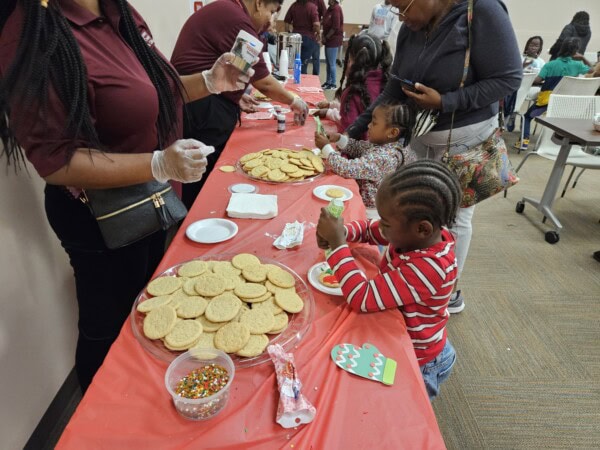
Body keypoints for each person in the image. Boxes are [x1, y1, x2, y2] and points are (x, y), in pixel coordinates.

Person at [0, 0, 250, 391]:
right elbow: (56, 161)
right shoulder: (35, 31)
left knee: (147, 316)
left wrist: (209, 81)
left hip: (150, 202)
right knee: (107, 330)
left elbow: (153, 92)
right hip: (98, 217)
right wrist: (157, 165)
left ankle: (138, 400)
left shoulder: (121, 12)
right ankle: (101, 420)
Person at [346, 0, 522, 314]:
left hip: (466, 140)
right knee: (413, 212)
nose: (400, 16)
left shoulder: (482, 11)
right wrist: (354, 130)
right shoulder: (412, 25)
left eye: (402, 6)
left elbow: (507, 79)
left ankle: (443, 295)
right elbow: (394, 88)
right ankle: (410, 278)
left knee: (453, 218)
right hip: (422, 137)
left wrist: (447, 101)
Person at [316, 160, 462, 400]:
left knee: (404, 409)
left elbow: (361, 297)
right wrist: (343, 233)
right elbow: (371, 230)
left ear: (422, 229)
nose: (381, 227)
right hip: (401, 332)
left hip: (420, 358)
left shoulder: (429, 268)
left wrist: (337, 245)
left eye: (386, 222)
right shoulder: (416, 235)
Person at [171, 0, 309, 209]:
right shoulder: (237, 21)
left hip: (200, 100)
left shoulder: (228, 10)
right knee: (204, 178)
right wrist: (294, 100)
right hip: (199, 108)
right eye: (271, 12)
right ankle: (201, 217)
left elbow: (231, 67)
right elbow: (263, 82)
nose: (270, 20)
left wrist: (234, 94)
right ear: (259, 3)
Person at [314, 102, 416, 218]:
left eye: (374, 123)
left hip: (369, 211)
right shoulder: (385, 144)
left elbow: (347, 168)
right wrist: (339, 139)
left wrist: (326, 148)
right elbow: (359, 147)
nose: (368, 126)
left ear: (392, 132)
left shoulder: (385, 157)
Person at [515, 37, 592, 151]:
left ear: (561, 49)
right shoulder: (577, 65)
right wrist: (583, 58)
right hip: (566, 104)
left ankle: (524, 141)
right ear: (575, 51)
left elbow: (537, 80)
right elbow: (592, 70)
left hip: (546, 103)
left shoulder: (550, 65)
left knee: (526, 116)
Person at [316, 33, 392, 139]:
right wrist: (332, 106)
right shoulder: (387, 83)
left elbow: (348, 138)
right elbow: (362, 112)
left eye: (349, 60)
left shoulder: (353, 93)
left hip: (357, 153)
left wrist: (329, 112)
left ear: (351, 62)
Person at [505, 36, 545, 131]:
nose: (533, 47)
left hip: (532, 88)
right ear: (527, 46)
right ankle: (513, 113)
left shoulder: (541, 62)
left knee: (540, 94)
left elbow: (542, 78)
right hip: (517, 88)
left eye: (536, 46)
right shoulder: (518, 58)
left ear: (540, 48)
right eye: (531, 44)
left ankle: (527, 117)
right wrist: (522, 66)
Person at [285, 0, 321, 76]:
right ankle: (302, 83)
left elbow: (286, 22)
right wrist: (318, 33)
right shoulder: (312, 7)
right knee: (303, 64)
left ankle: (295, 82)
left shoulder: (293, 6)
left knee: (295, 64)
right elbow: (316, 25)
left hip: (295, 39)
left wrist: (289, 34)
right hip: (308, 39)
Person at [322, 0, 343, 90]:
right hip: (328, 39)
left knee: (332, 63)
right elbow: (324, 21)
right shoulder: (329, 9)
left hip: (333, 40)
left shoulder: (336, 9)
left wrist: (326, 37)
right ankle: (328, 81)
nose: (328, 0)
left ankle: (333, 83)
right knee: (328, 63)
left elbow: (335, 27)